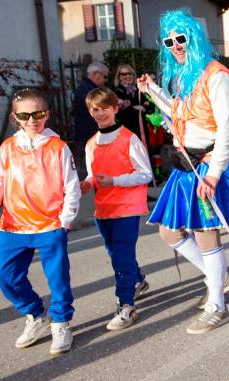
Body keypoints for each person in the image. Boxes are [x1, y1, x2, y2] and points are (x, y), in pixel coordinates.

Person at [138, 9, 229, 334]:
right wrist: (154, 91)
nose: (175, 45)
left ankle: (218, 304)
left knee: (205, 234)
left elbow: (228, 130)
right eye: (168, 40)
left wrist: (214, 173)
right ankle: (219, 278)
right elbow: (179, 113)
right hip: (185, 164)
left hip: (208, 164)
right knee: (169, 232)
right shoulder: (182, 76)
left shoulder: (218, 76)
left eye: (181, 38)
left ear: (195, 38)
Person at [0, 89, 80, 355]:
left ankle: (60, 322)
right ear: (16, 117)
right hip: (13, 226)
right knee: (4, 275)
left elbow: (72, 186)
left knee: (57, 279)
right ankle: (36, 315)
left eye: (38, 113)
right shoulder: (7, 147)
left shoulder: (58, 147)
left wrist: (66, 218)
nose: (32, 119)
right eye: (25, 115)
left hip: (50, 225)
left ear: (46, 114)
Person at [80, 87, 152, 330]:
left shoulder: (129, 139)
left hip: (128, 208)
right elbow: (93, 175)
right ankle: (139, 280)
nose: (100, 113)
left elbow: (145, 174)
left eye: (105, 108)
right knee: (116, 254)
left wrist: (115, 181)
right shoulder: (91, 144)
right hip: (104, 208)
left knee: (120, 257)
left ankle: (126, 306)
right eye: (95, 110)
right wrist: (85, 185)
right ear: (90, 112)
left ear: (115, 108)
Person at [113, 64, 152, 142]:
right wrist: (140, 107)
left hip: (142, 131)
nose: (127, 76)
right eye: (124, 74)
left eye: (130, 73)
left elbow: (151, 108)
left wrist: (134, 107)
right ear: (119, 77)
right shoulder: (116, 92)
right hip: (126, 131)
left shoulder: (139, 90)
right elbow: (122, 113)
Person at [72, 61, 109, 146]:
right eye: (105, 76)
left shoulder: (88, 88)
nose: (105, 80)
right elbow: (99, 107)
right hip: (89, 134)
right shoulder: (86, 90)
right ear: (95, 74)